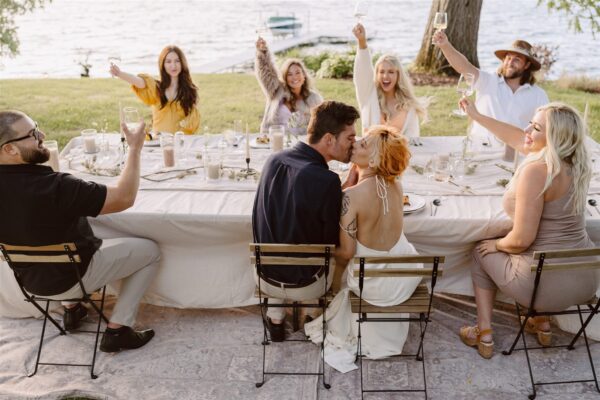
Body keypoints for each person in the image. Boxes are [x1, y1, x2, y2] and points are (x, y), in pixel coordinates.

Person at [0, 110, 160, 353]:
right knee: (150, 251)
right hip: (75, 277)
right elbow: (124, 198)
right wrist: (135, 148)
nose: (42, 135)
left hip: (31, 283)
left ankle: (73, 310)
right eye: (33, 134)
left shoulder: (52, 186)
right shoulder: (57, 187)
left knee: (53, 238)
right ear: (9, 149)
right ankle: (118, 330)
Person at [458, 99, 599, 359]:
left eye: (534, 127)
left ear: (554, 138)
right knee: (537, 252)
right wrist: (476, 115)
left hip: (544, 287)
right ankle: (541, 323)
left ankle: (484, 333)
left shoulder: (537, 170)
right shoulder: (579, 164)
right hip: (587, 280)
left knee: (481, 250)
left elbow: (522, 239)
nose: (526, 130)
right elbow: (517, 137)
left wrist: (496, 245)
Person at [305, 125, 422, 370]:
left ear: (375, 158)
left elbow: (346, 254)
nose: (355, 143)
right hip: (402, 281)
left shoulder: (352, 197)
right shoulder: (396, 186)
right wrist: (353, 175)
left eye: (363, 144)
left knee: (338, 265)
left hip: (373, 287)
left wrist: (318, 249)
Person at [252, 100, 359, 341]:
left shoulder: (273, 160)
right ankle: (313, 315)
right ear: (329, 139)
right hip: (306, 283)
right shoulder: (326, 181)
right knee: (342, 252)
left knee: (284, 230)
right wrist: (345, 194)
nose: (353, 144)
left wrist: (337, 191)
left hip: (264, 276)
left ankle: (276, 317)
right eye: (350, 138)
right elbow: (329, 242)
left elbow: (296, 201)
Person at [433, 31, 548, 152]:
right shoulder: (487, 80)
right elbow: (463, 66)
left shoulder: (538, 95)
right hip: (480, 149)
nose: (510, 63)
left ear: (527, 65)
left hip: (516, 153)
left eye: (517, 60)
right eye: (508, 58)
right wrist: (445, 45)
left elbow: (544, 128)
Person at [352, 23, 428, 139]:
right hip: (371, 155)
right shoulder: (368, 96)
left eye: (391, 72)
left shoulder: (408, 106)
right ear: (376, 75)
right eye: (381, 72)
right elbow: (362, 71)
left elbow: (413, 140)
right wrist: (362, 42)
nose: (385, 76)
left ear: (398, 75)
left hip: (398, 156)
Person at [110, 45, 200, 135]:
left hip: (180, 142)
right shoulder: (157, 87)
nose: (173, 65)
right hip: (158, 142)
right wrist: (119, 73)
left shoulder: (190, 91)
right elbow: (140, 82)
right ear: (163, 64)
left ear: (182, 63)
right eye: (168, 62)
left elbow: (193, 122)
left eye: (177, 61)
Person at [255, 37, 323, 135]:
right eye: (289, 74)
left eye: (297, 73)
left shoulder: (314, 99)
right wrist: (263, 52)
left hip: (300, 145)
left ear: (304, 76)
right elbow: (266, 73)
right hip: (273, 140)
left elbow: (321, 124)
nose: (294, 77)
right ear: (285, 77)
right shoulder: (276, 91)